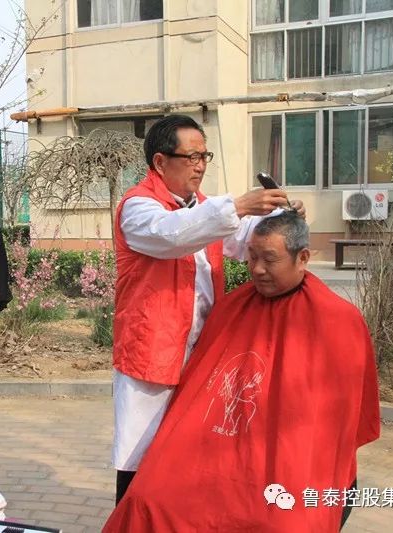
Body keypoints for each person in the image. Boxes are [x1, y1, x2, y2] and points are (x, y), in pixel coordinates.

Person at [103, 212, 380, 532]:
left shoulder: (337, 321)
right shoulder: (231, 308)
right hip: (214, 452)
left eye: (269, 259)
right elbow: (198, 393)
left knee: (288, 521)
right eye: (252, 257)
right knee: (149, 497)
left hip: (287, 458)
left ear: (302, 258)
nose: (257, 269)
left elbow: (338, 422)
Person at [112, 114, 305, 502]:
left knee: (186, 455)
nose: (200, 165)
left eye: (204, 156)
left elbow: (245, 240)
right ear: (160, 162)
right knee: (140, 461)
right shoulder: (138, 207)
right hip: (152, 353)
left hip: (202, 352)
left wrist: (281, 218)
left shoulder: (203, 209)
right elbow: (172, 234)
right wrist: (238, 205)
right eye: (191, 156)